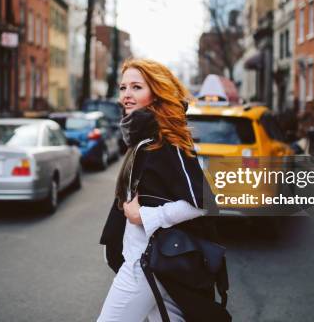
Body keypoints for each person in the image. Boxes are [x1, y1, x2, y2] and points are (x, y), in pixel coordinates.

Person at [98, 59, 230, 322]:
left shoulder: (164, 141)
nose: (126, 95)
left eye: (136, 87)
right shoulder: (143, 139)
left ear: (156, 93)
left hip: (146, 264)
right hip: (150, 262)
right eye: (123, 87)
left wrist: (144, 217)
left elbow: (202, 201)